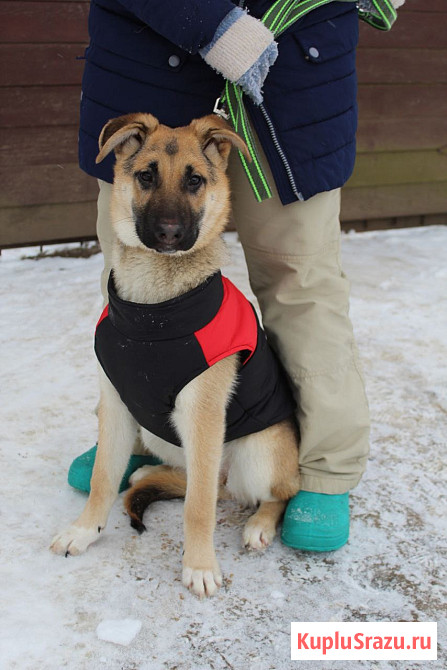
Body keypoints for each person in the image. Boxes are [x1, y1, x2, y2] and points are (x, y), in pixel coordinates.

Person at [72, 0, 404, 551]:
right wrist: (210, 23)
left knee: (301, 280)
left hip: (297, 69)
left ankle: (324, 469)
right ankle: (143, 435)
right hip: (151, 56)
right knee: (133, 279)